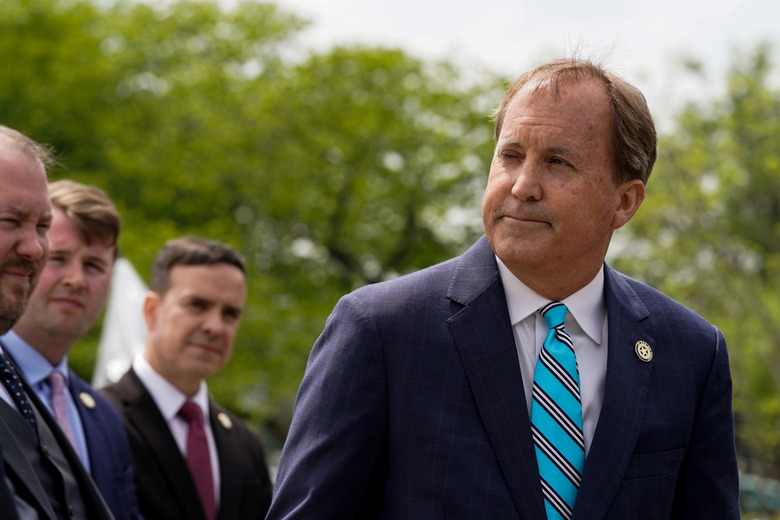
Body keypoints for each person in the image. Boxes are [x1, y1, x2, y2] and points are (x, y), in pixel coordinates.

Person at [267, 58, 739, 519]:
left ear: (624, 201)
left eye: (558, 162)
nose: (523, 186)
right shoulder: (381, 330)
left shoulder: (691, 352)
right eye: (510, 157)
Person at [100, 236, 273, 520]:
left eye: (230, 314)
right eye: (197, 305)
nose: (215, 327)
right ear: (151, 310)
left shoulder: (245, 444)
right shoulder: (100, 420)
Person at [1, 179, 142, 520]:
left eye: (94, 266)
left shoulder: (106, 418)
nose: (76, 280)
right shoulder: (5, 389)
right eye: (60, 258)